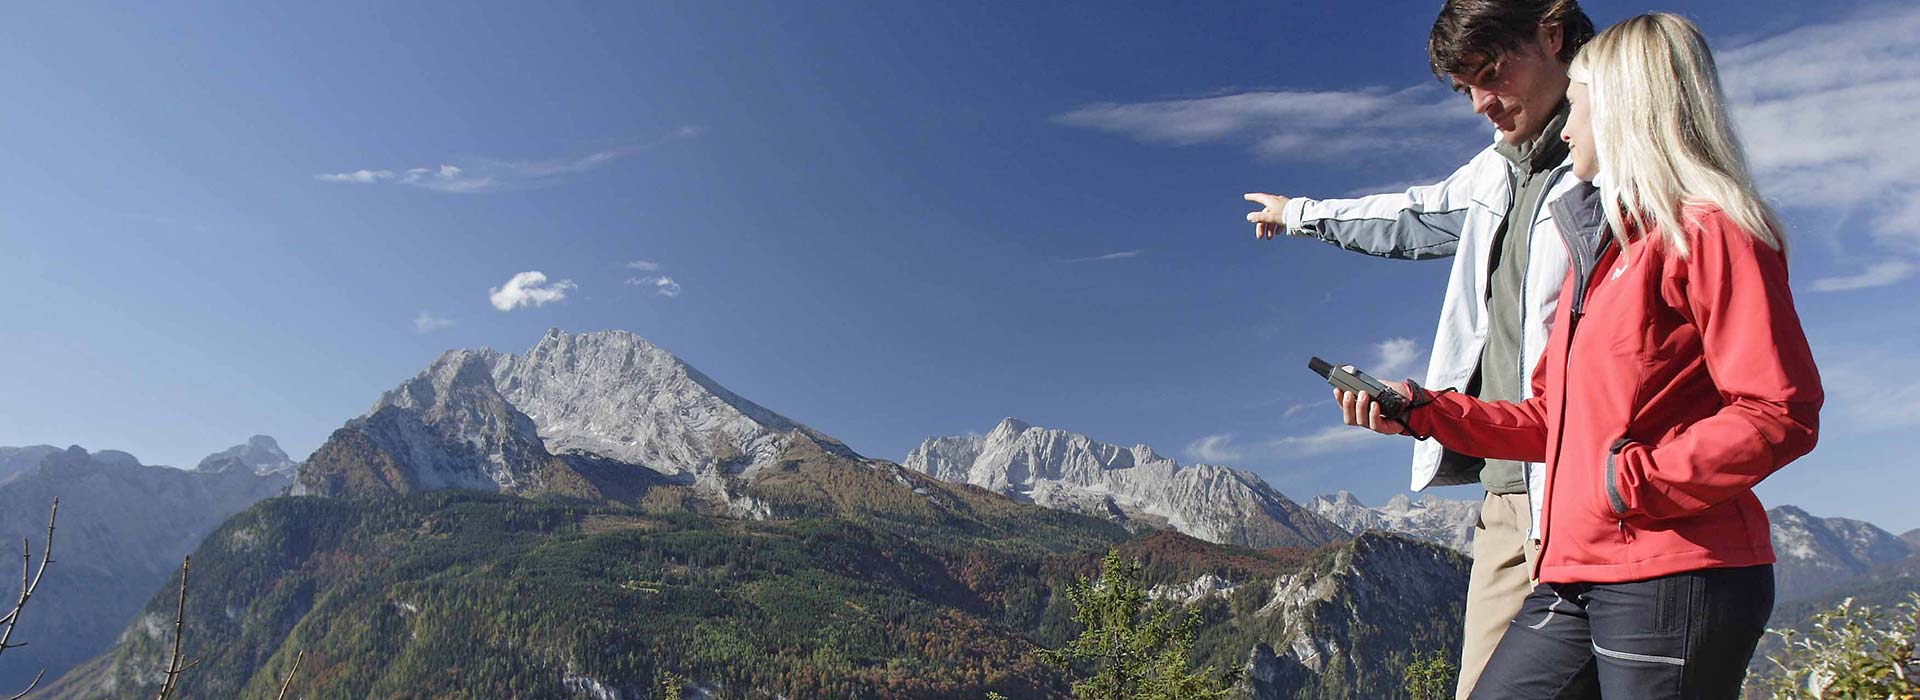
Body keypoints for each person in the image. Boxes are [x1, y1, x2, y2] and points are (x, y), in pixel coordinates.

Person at [1336, 13, 1822, 698]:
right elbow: (1547, 419)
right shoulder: (1593, 259)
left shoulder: (1710, 231)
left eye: (1581, 108)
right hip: (1575, 572)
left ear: (1626, 111)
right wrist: (1426, 412)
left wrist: (1633, 482)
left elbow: (1780, 410)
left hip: (1673, 571)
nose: (1566, 130)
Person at [1244, 2, 1593, 695]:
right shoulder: (1496, 173)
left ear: (1552, 35)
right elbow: (1408, 214)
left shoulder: (1617, 163)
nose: (1480, 104)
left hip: (1596, 494)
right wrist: (1301, 215)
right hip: (1508, 497)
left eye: (1490, 76)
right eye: (1466, 88)